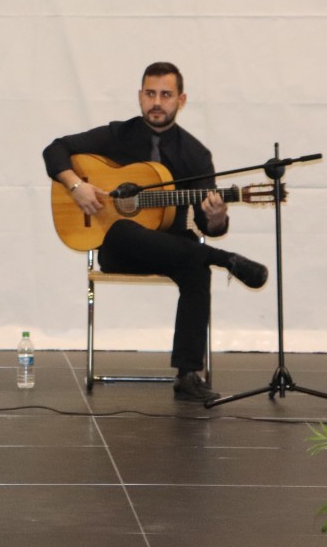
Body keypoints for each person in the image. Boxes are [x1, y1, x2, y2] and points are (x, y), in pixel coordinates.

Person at [43, 61, 268, 402]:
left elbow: (207, 224)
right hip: (121, 249)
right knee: (123, 228)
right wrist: (76, 186)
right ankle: (225, 260)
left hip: (171, 248)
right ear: (140, 96)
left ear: (181, 100)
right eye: (150, 94)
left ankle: (188, 375)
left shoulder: (195, 154)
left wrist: (217, 217)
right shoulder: (118, 134)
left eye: (166, 95)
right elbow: (55, 149)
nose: (157, 102)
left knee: (196, 267)